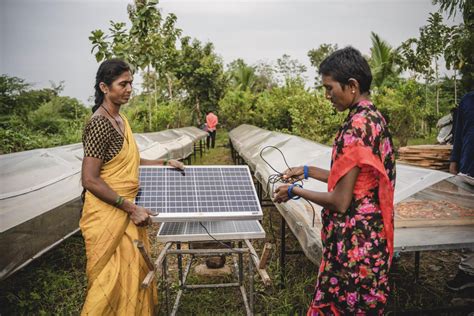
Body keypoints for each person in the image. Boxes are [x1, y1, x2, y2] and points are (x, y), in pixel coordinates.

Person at [273, 47, 396, 314]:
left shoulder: (355, 127)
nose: (327, 96)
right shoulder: (373, 119)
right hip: (371, 239)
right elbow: (355, 181)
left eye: (330, 88)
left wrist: (294, 191)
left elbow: (341, 201)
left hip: (355, 246)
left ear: (352, 85)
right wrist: (307, 171)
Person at [80, 59, 184, 315]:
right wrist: (130, 208)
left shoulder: (121, 120)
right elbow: (90, 179)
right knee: (109, 279)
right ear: (105, 87)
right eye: (122, 84)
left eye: (131, 83)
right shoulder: (98, 124)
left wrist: (164, 163)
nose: (129, 89)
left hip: (127, 207)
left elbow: (131, 161)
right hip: (109, 212)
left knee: (132, 271)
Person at [446, 91, 474, 291]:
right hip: (469, 170)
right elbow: (458, 135)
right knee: (468, 225)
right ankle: (468, 272)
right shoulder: (468, 100)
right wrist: (454, 162)